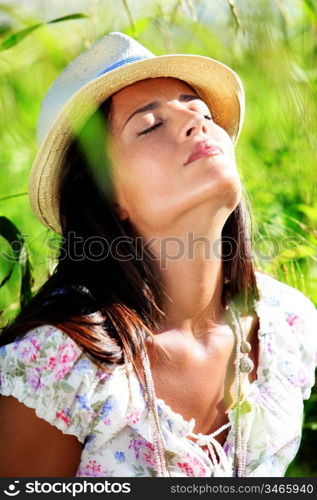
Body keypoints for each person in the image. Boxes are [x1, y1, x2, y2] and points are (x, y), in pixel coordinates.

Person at [0, 32, 316, 478]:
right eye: (150, 125)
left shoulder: (288, 325)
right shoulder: (59, 365)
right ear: (107, 197)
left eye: (201, 111)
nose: (197, 123)